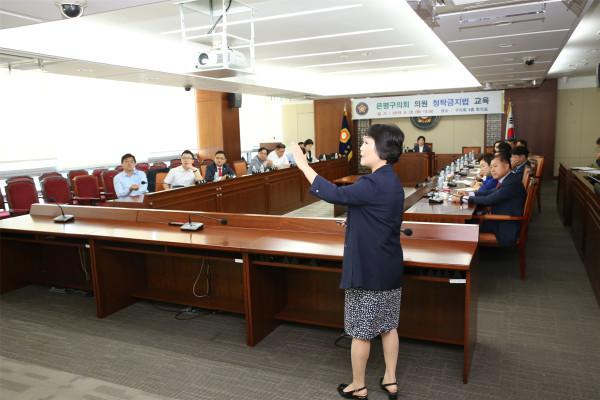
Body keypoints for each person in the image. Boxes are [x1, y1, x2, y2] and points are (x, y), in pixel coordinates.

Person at [290, 124, 405, 400]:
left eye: (366, 143)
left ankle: (358, 386)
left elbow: (335, 194)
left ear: (381, 149)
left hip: (367, 269)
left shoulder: (370, 183)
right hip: (389, 266)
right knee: (389, 326)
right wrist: (355, 221)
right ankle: (390, 380)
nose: (361, 148)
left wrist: (303, 165)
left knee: (361, 332)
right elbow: (380, 217)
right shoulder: (392, 180)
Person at [453, 152, 526, 247]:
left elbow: (489, 200)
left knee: (462, 224)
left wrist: (463, 199)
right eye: (491, 167)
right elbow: (490, 192)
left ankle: (463, 252)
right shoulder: (509, 179)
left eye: (495, 166)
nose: (492, 170)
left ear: (507, 166)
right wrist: (469, 194)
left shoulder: (512, 183)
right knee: (466, 220)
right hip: (499, 219)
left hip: (505, 226)